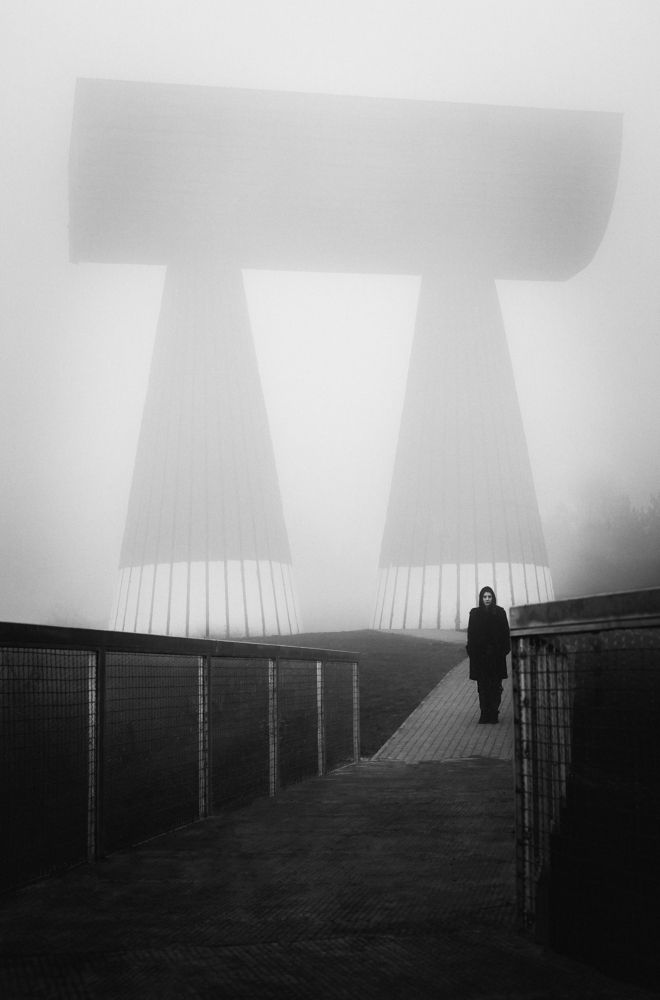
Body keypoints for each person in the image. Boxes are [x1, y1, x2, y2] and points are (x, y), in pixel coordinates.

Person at [466, 586, 511, 724]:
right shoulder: (475, 614)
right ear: (481, 598)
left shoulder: (500, 613)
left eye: (489, 597)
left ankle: (494, 713)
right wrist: (473, 652)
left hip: (496, 657)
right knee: (483, 688)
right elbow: (471, 635)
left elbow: (505, 633)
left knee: (496, 687)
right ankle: (484, 713)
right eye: (485, 597)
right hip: (481, 658)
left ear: (493, 598)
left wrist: (503, 650)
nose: (487, 599)